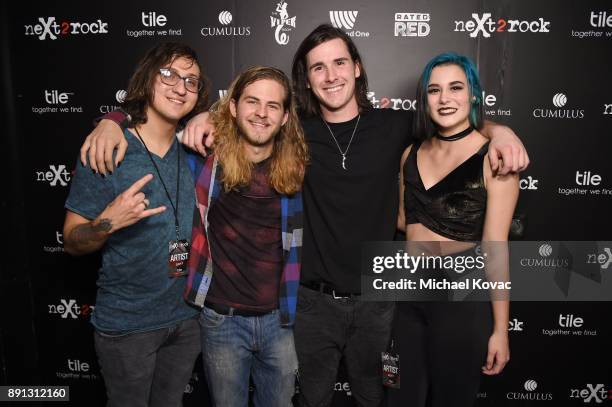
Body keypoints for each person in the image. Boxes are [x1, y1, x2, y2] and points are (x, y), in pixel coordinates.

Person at [78, 24, 529, 407]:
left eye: (338, 63)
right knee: (311, 399)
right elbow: (238, 116)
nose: (330, 75)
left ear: (356, 68)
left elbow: (449, 123)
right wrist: (124, 119)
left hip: (381, 301)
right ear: (307, 82)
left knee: (379, 398)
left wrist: (499, 129)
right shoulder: (293, 134)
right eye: (318, 67)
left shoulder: (395, 128)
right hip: (310, 304)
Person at [63, 42, 209, 407]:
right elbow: (71, 241)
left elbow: (248, 111)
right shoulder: (108, 149)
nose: (180, 87)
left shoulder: (194, 153)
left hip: (187, 320)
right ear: (147, 78)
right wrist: (108, 222)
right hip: (129, 327)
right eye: (169, 75)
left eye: (191, 81)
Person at [392, 52, 517, 407]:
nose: (445, 98)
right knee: (402, 399)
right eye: (434, 90)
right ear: (425, 99)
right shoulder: (409, 155)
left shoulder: (494, 158)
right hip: (408, 293)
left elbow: (496, 246)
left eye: (455, 87)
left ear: (473, 94)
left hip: (462, 294)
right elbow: (403, 220)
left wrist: (501, 331)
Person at [183, 66, 307, 406]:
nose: (262, 113)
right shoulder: (205, 160)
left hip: (279, 321)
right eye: (252, 102)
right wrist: (113, 121)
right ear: (233, 107)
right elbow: (151, 133)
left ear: (284, 118)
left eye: (273, 105)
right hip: (222, 320)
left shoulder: (297, 167)